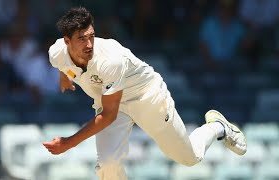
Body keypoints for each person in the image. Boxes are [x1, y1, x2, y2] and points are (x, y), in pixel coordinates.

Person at [43, 7, 247, 180]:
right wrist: (65, 76)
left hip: (147, 97)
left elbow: (108, 116)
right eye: (82, 39)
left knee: (189, 158)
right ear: (67, 41)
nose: (89, 45)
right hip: (111, 102)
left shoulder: (109, 59)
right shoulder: (56, 53)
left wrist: (68, 143)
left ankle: (217, 127)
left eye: (91, 37)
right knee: (108, 166)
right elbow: (63, 64)